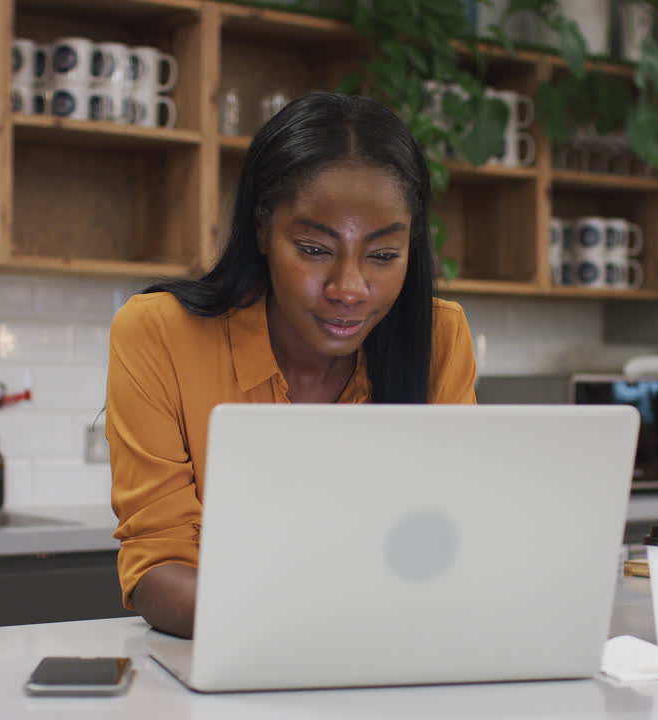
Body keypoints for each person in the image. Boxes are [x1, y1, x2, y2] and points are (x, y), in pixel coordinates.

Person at [106, 93, 478, 638]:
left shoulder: (439, 337)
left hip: (394, 662)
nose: (349, 289)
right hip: (235, 665)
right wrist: (313, 624)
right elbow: (158, 566)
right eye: (314, 248)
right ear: (263, 230)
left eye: (381, 256)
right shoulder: (159, 331)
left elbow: (455, 544)